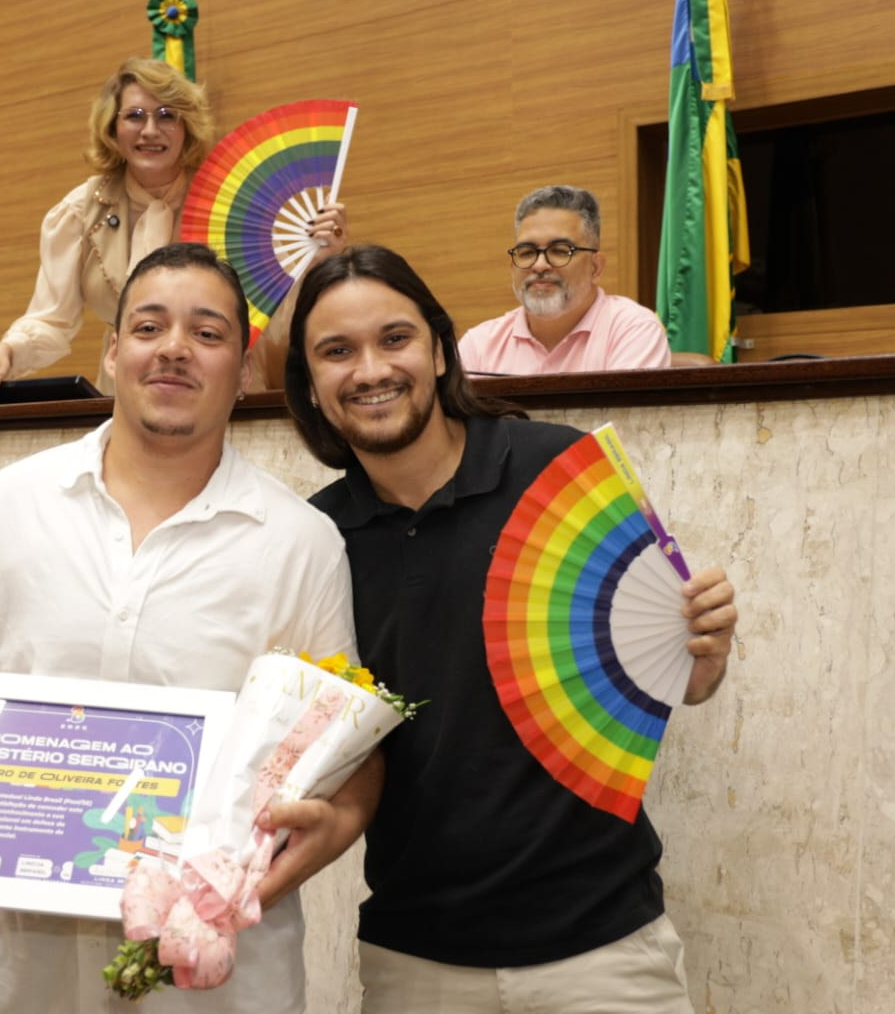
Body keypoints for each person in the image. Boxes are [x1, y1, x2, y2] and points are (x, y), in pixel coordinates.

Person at [0, 242, 372, 1014]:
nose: (174, 348)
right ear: (109, 353)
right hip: (8, 974)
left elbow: (330, 750)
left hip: (205, 988)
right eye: (148, 326)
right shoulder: (7, 504)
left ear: (243, 370)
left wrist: (255, 876)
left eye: (207, 333)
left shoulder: (300, 544)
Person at [278, 244, 739, 1014]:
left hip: (604, 949)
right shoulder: (312, 540)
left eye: (394, 338)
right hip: (412, 958)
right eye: (336, 351)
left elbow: (674, 673)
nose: (370, 370)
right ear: (309, 383)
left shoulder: (559, 468)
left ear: (437, 348)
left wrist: (702, 658)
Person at [0, 57, 347, 404]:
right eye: (135, 116)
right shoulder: (79, 211)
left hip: (223, 385)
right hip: (131, 386)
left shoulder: (235, 197)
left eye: (167, 115)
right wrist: (8, 350)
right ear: (112, 127)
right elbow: (51, 320)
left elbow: (275, 314)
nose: (151, 130)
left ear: (186, 126)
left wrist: (318, 260)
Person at [459, 185, 672, 375]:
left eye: (560, 251)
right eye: (527, 252)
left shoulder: (633, 330)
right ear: (512, 267)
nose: (539, 265)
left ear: (595, 267)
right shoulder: (479, 345)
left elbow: (625, 410)